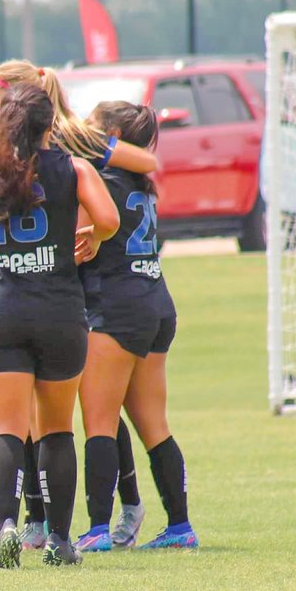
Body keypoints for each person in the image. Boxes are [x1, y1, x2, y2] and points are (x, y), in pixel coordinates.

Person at [0, 83, 119, 568]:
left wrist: (1, 245)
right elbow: (108, 219)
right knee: (57, 429)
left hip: (2, 310)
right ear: (51, 125)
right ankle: (60, 541)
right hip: (60, 312)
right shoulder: (76, 168)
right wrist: (90, 237)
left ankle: (6, 527)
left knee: (5, 427)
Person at [74, 101, 198, 551]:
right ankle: (180, 527)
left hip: (116, 307)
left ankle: (97, 530)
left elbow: (80, 244)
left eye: (91, 125)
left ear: (109, 136)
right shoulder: (139, 181)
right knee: (154, 425)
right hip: (156, 302)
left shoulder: (99, 179)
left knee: (99, 422)